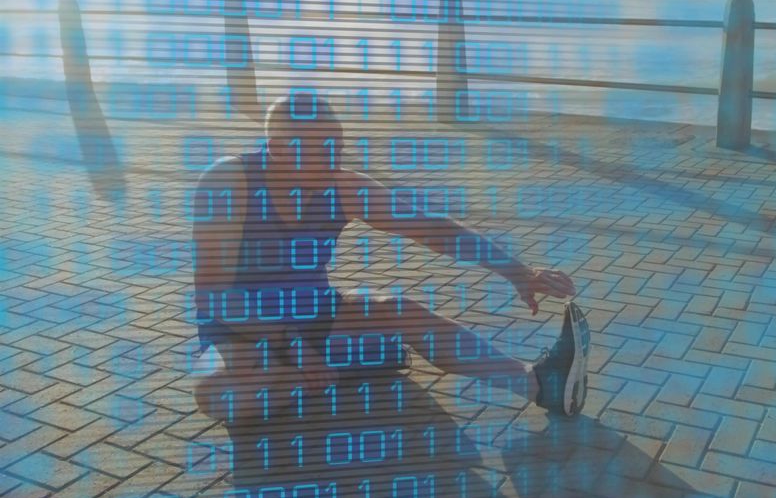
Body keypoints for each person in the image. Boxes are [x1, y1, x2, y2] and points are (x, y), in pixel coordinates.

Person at [190, 92, 589, 421]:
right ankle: (332, 365)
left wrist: (517, 272)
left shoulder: (343, 187)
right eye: (322, 150)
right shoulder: (227, 182)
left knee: (403, 310)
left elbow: (432, 228)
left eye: (339, 148)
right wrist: (289, 344)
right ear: (278, 149)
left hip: (314, 311)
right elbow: (214, 294)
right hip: (241, 329)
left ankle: (541, 383)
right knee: (215, 395)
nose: (335, 161)